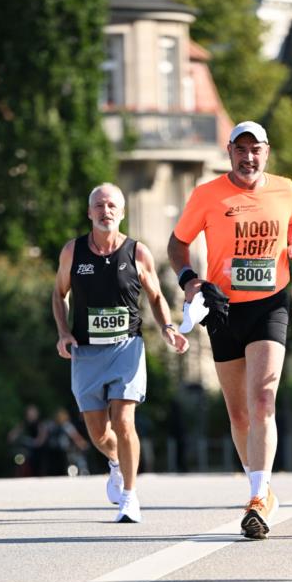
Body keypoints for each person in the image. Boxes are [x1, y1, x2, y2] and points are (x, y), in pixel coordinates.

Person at [167, 121, 292, 539]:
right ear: (229, 151)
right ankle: (260, 487)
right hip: (223, 308)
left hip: (270, 304)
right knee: (239, 412)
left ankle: (257, 496)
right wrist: (189, 278)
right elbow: (177, 244)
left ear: (267, 152)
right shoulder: (207, 195)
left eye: (256, 150)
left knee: (263, 395)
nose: (249, 157)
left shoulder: (285, 188)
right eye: (241, 149)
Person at [53, 182, 188, 523]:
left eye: (112, 205)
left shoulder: (137, 252)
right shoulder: (73, 252)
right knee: (99, 434)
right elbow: (59, 294)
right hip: (86, 352)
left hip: (127, 347)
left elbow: (156, 297)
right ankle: (115, 462)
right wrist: (64, 333)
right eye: (98, 205)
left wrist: (167, 327)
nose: (105, 211)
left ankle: (130, 496)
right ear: (89, 213)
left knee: (124, 422)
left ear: (122, 213)